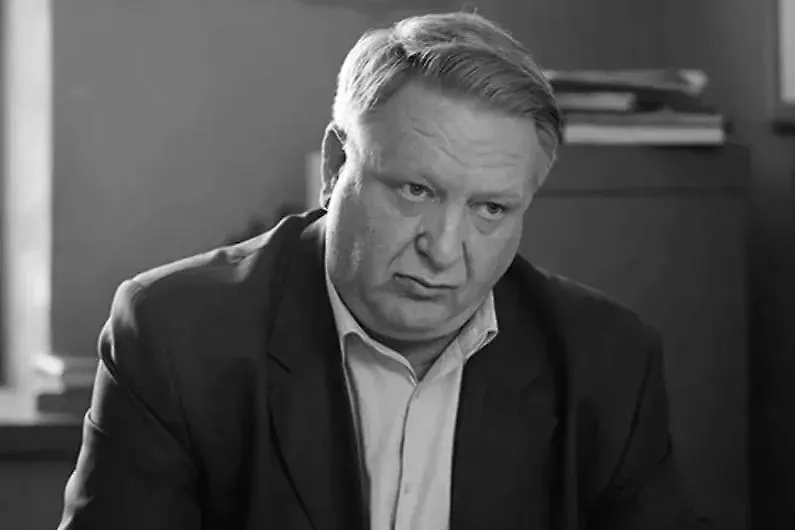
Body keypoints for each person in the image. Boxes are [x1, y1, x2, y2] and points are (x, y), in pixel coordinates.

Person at [58, 11, 697, 530]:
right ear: (336, 167)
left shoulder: (605, 360)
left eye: (491, 209)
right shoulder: (175, 337)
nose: (443, 250)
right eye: (416, 190)